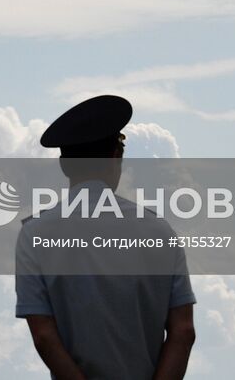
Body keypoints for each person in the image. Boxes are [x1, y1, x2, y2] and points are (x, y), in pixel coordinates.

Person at [15, 95, 196, 380]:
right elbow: (182, 332)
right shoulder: (159, 231)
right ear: (117, 156)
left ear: (63, 165)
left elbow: (44, 336)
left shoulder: (35, 234)